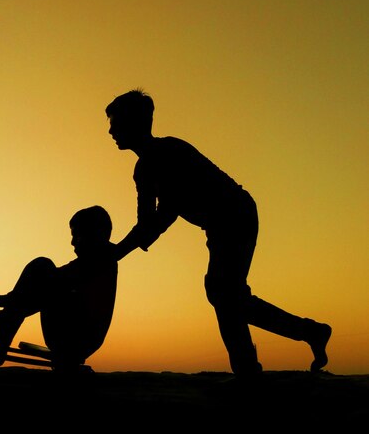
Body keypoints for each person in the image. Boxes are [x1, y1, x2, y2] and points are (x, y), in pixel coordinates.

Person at [105, 88, 332, 378]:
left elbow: (166, 212)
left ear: (136, 122)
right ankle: (302, 336)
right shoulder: (143, 171)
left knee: (223, 291)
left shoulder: (170, 151)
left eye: (115, 122)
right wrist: (121, 250)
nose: (111, 130)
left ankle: (254, 366)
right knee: (226, 294)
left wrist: (118, 252)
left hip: (236, 214)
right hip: (218, 224)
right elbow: (147, 222)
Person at [0, 205, 118, 373]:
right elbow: (42, 285)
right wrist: (7, 298)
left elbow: (49, 283)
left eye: (77, 234)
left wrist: (6, 299)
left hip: (74, 339)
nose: (72, 242)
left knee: (41, 266)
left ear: (94, 234)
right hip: (72, 334)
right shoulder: (94, 262)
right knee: (41, 269)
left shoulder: (98, 262)